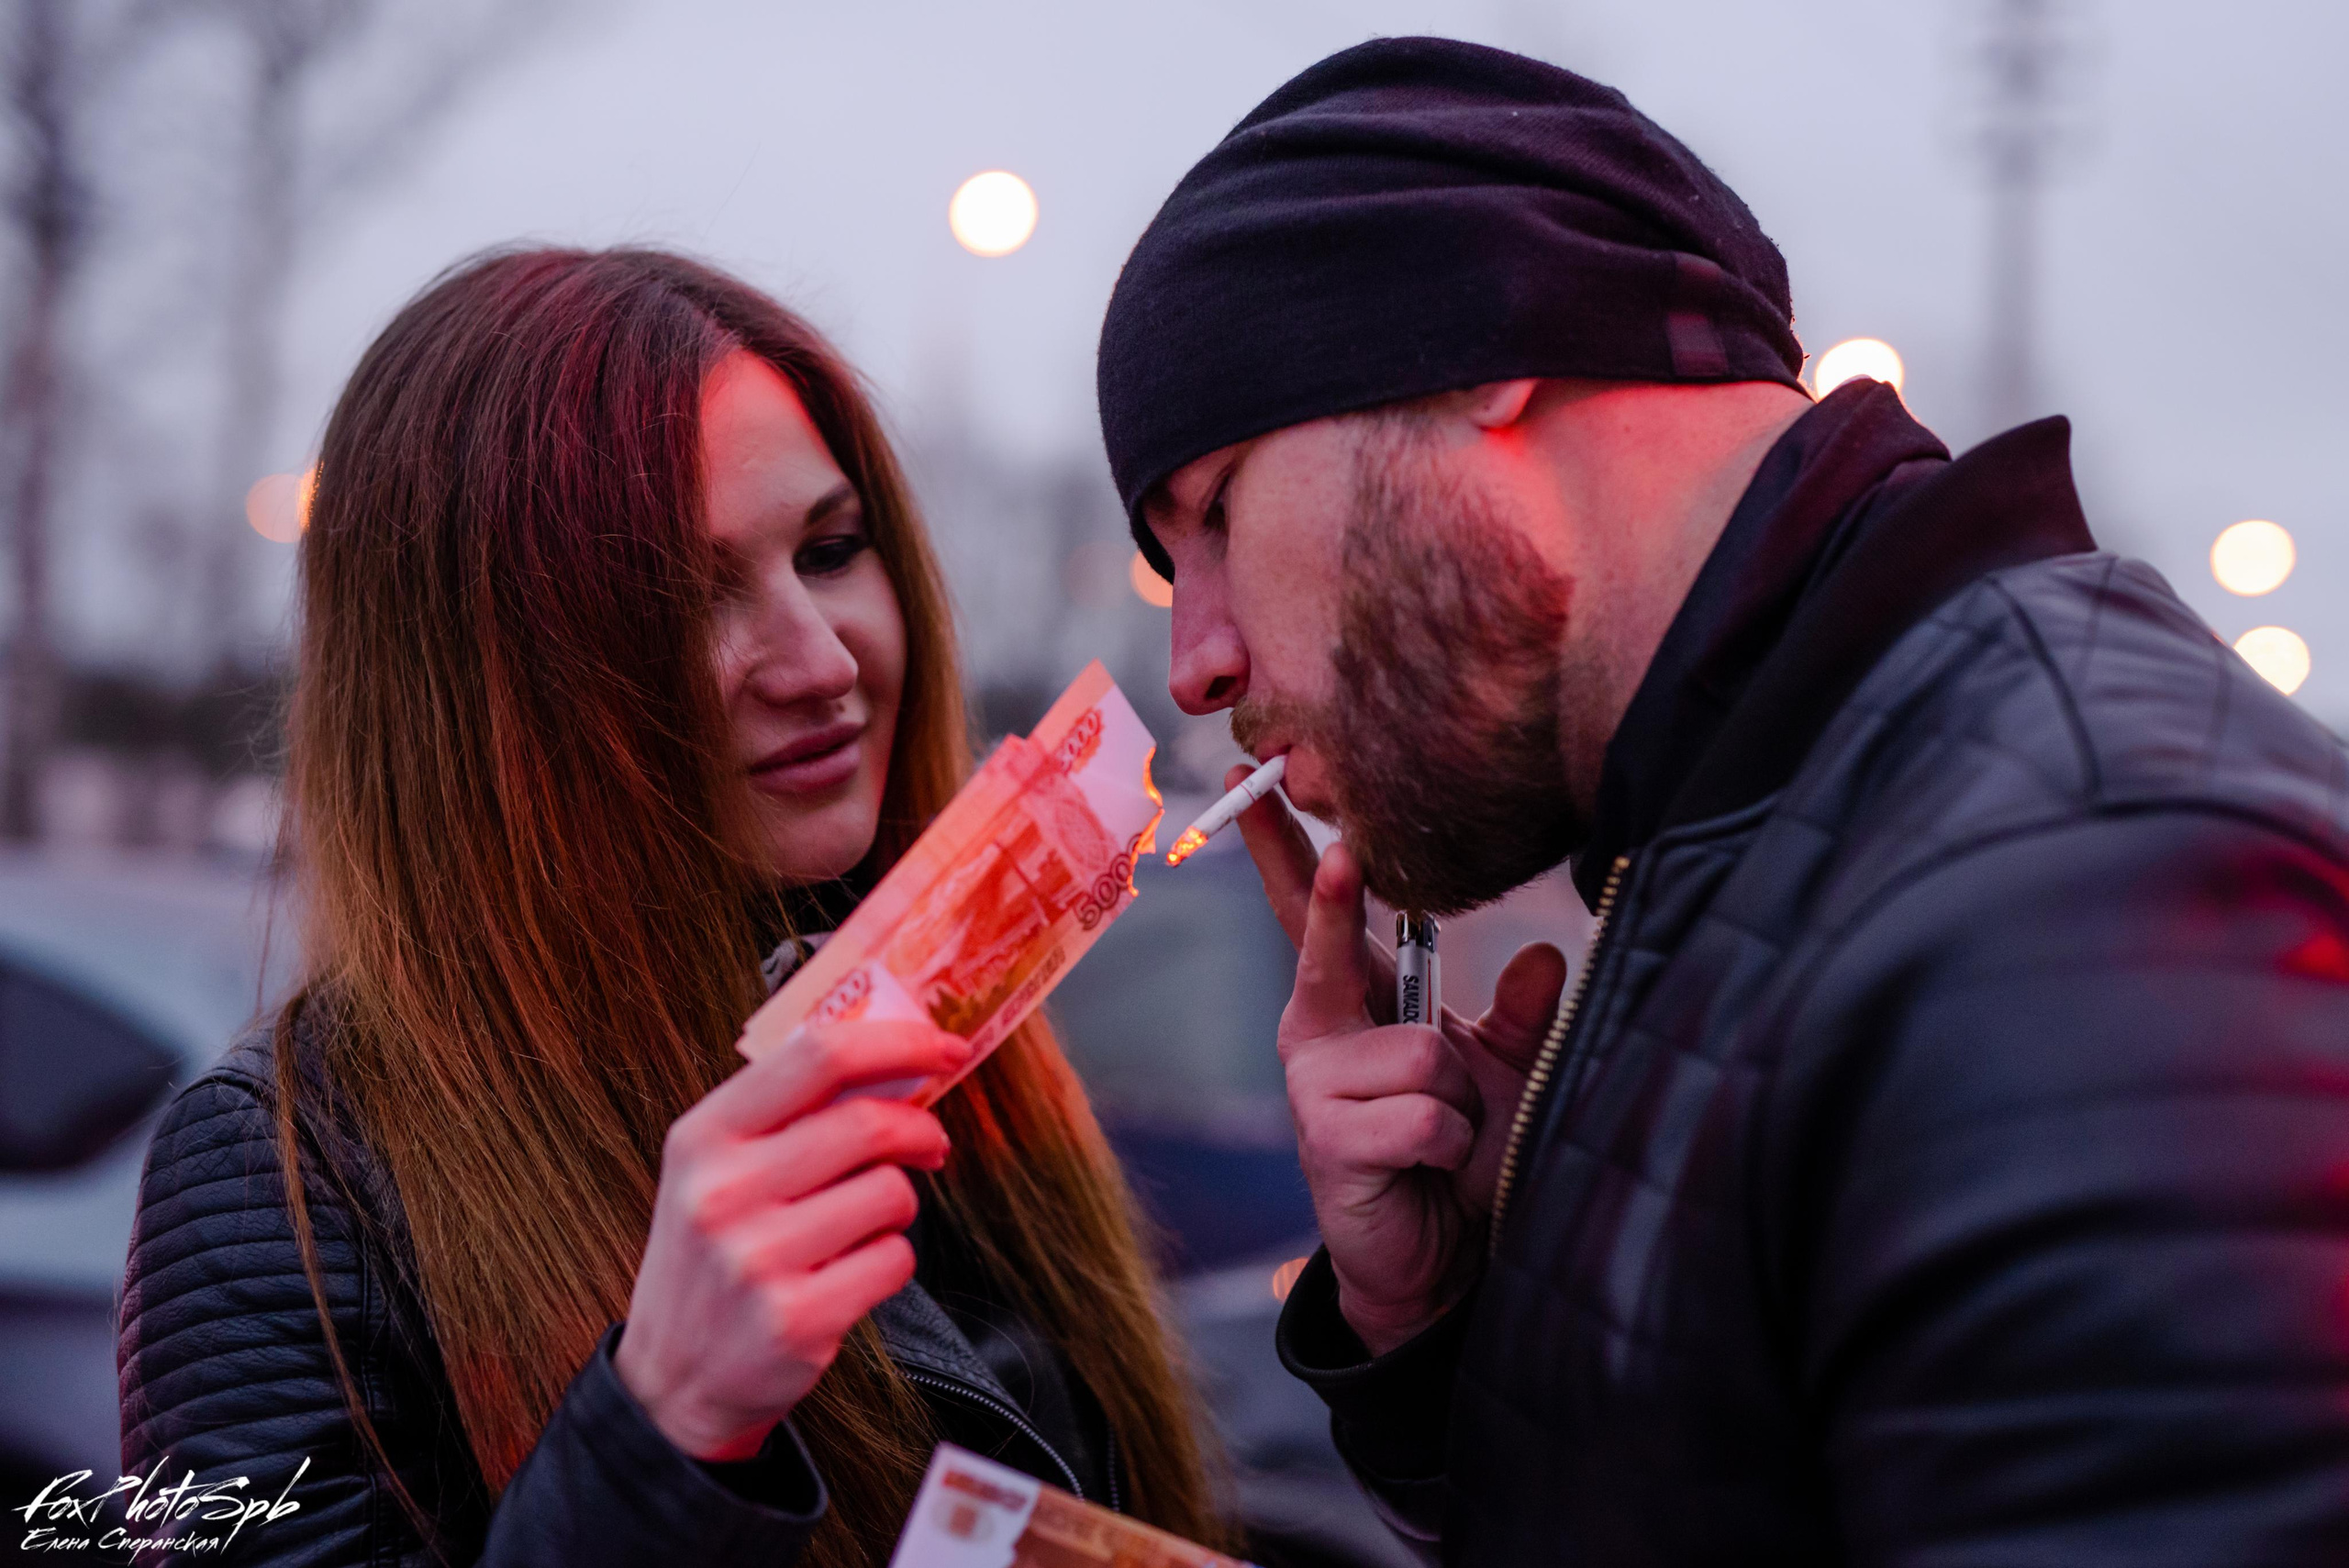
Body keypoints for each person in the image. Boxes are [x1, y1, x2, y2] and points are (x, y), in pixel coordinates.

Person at [1094, 35, 2349, 1568]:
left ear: (1483, 339)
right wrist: (1454, 1319)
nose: (1196, 663)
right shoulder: (1762, 824)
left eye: (1216, 514)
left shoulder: (2091, 893)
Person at [117, 248, 1234, 1568]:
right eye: (683, 597)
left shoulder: (931, 1001)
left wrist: (1392, 1323)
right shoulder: (286, 1178)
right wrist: (664, 1431)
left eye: (831, 550)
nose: (819, 660)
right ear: (479, 689)